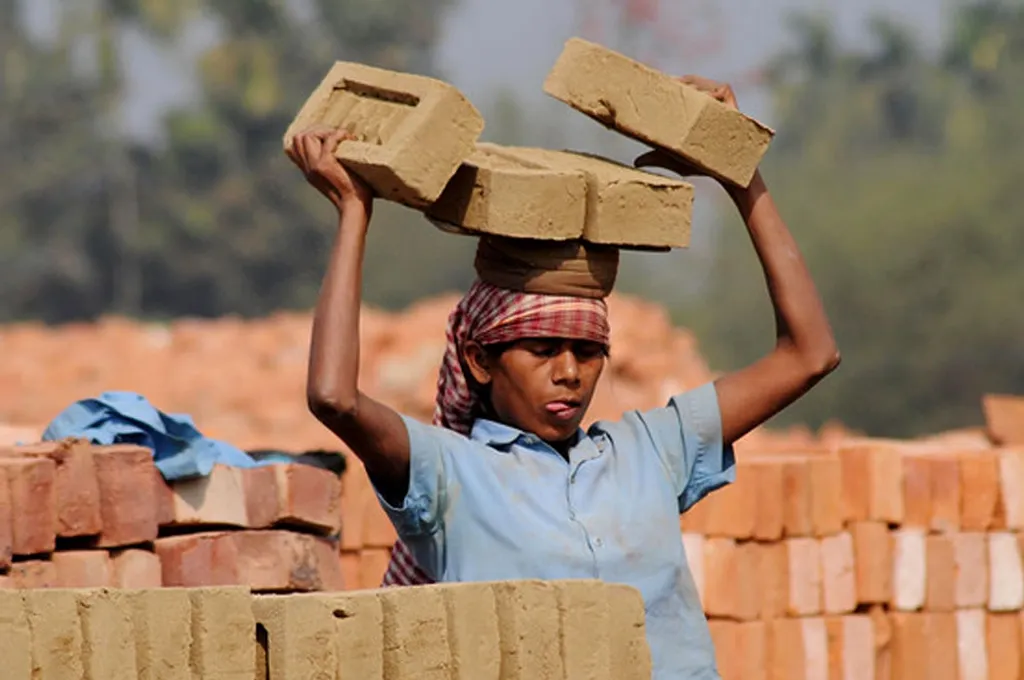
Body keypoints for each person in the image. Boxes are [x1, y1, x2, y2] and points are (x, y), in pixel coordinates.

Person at [288, 76, 839, 680]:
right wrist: (353, 214)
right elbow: (334, 398)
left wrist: (740, 175)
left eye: (588, 351)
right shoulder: (447, 474)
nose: (570, 373)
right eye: (543, 350)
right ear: (479, 359)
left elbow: (809, 355)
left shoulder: (649, 452)